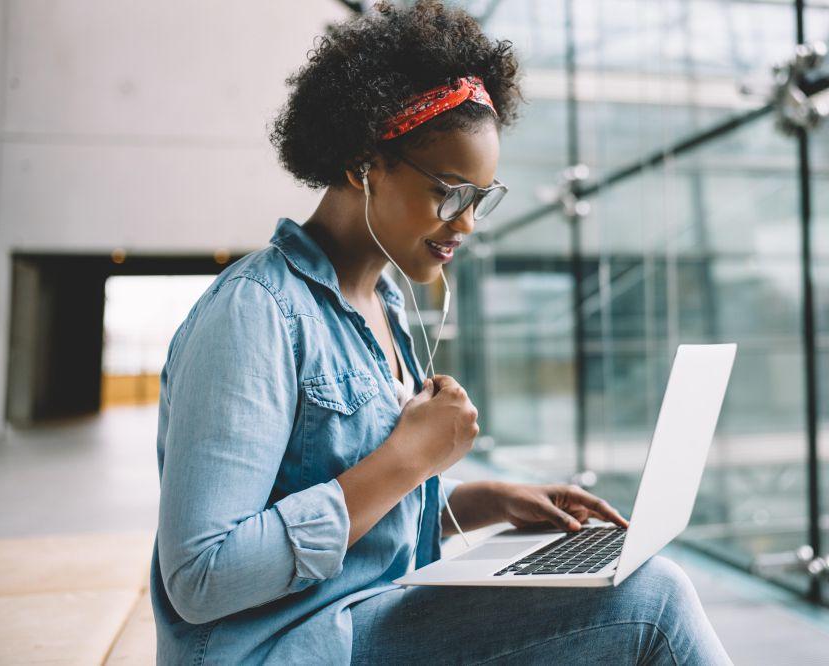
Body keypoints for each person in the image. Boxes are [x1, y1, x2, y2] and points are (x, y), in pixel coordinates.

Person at [149, 2, 733, 663]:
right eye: (450, 194)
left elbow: (338, 487)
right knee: (650, 602)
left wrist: (492, 501)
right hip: (293, 647)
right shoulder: (255, 315)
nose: (468, 224)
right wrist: (411, 458)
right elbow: (201, 576)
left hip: (363, 617)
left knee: (632, 585)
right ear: (364, 164)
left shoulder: (383, 301)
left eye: (482, 200)